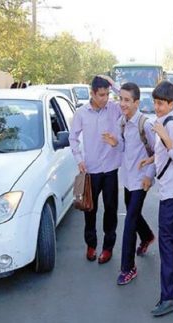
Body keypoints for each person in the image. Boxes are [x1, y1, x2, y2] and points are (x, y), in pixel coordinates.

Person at [144, 81, 173, 317]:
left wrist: (164, 136)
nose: (157, 107)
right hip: (172, 191)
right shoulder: (163, 123)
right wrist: (150, 160)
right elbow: (165, 155)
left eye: (161, 103)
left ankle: (169, 296)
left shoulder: (171, 126)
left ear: (171, 104)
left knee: (168, 244)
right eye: (156, 103)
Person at [69, 75, 122, 264]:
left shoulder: (115, 109)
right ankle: (91, 245)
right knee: (90, 210)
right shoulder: (81, 113)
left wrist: (113, 84)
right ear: (92, 93)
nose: (105, 98)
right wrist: (79, 159)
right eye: (101, 95)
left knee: (110, 209)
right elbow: (73, 138)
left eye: (107, 94)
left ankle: (108, 248)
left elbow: (127, 99)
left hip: (110, 169)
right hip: (91, 169)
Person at [112, 82, 156, 285]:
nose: (122, 103)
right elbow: (123, 147)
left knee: (129, 223)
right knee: (133, 213)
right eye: (121, 99)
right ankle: (147, 236)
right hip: (128, 179)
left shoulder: (145, 124)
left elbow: (158, 153)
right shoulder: (122, 122)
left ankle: (128, 268)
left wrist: (149, 175)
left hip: (141, 180)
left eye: (127, 100)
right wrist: (114, 143)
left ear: (137, 102)